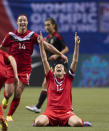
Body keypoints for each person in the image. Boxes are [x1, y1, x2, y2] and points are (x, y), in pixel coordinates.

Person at [0, 15, 68, 122]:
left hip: (25, 70)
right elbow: (2, 48)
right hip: (11, 68)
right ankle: (6, 98)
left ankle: (9, 115)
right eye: (20, 20)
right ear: (17, 23)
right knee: (9, 92)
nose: (22, 22)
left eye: (24, 20)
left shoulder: (32, 35)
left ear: (27, 23)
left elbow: (47, 46)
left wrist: (60, 54)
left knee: (18, 92)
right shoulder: (10, 35)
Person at [32, 32, 92, 127]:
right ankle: (52, 122)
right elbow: (44, 60)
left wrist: (76, 45)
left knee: (77, 123)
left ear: (64, 72)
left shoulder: (68, 78)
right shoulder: (50, 77)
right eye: (57, 67)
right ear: (54, 71)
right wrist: (41, 45)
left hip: (66, 113)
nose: (59, 66)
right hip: (50, 112)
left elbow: (75, 61)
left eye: (61, 66)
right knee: (38, 123)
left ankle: (67, 122)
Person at [26, 17, 69, 113]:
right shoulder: (48, 38)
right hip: (52, 63)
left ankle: (40, 107)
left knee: (51, 84)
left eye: (48, 24)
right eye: (45, 25)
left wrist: (56, 54)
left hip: (59, 64)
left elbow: (66, 49)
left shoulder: (57, 36)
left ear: (53, 25)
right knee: (47, 84)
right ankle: (38, 107)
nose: (46, 27)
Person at [0, 48, 19, 131]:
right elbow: (11, 59)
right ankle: (1, 118)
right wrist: (15, 75)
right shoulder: (1, 52)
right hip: (4, 74)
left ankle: (0, 117)